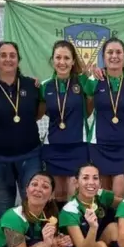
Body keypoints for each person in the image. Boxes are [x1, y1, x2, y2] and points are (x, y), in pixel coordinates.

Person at [0, 41, 42, 220]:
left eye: (12, 55)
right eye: (3, 55)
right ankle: (6, 243)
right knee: (5, 201)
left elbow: (37, 114)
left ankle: (32, 243)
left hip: (29, 155)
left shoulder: (32, 85)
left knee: (31, 199)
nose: (8, 59)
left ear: (18, 60)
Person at [84, 38, 124, 198]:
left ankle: (119, 224)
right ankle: (102, 224)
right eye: (110, 52)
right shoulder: (93, 81)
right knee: (101, 196)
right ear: (103, 56)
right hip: (99, 144)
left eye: (118, 52)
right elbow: (86, 110)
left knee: (119, 196)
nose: (114, 56)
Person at [40, 40, 91, 208]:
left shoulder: (83, 82)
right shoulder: (44, 86)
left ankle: (72, 232)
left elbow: (89, 110)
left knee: (73, 192)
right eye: (58, 57)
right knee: (56, 193)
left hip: (77, 145)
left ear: (73, 61)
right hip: (53, 146)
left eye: (67, 58)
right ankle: (55, 231)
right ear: (52, 60)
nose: (62, 62)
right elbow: (39, 114)